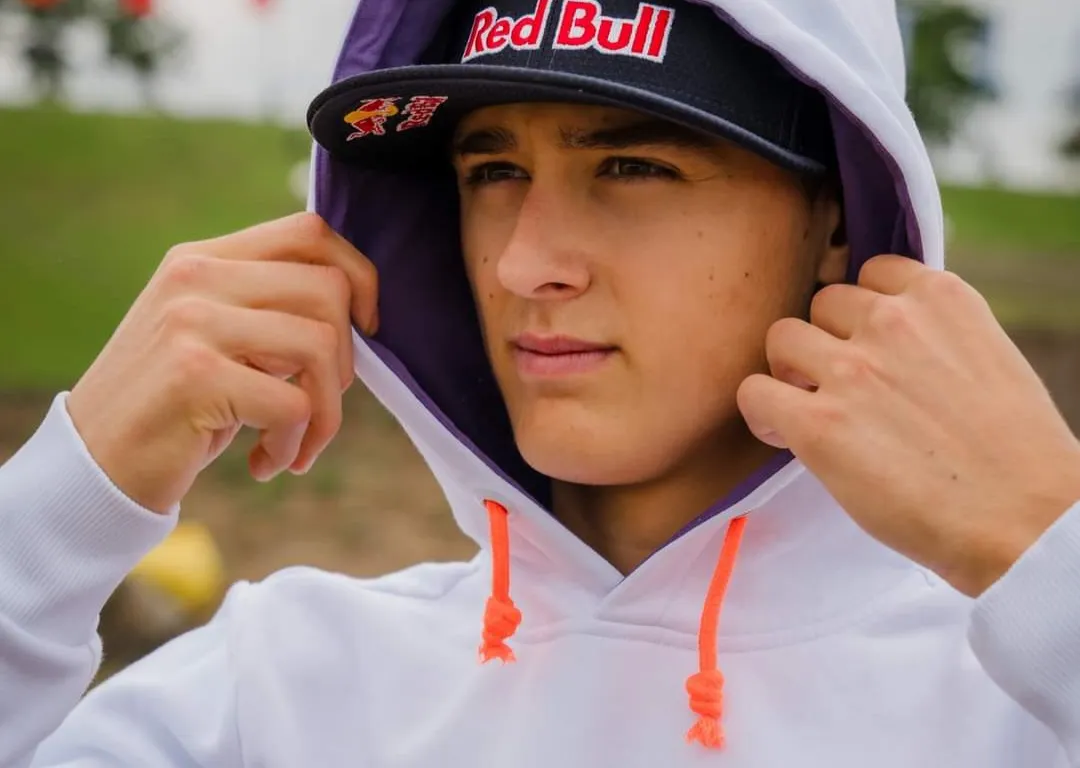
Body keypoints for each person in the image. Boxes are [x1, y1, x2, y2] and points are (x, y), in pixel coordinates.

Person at [2, 0, 1079, 765]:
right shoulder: (274, 691)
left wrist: (1051, 548)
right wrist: (65, 499)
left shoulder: (1015, 705)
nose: (524, 263)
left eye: (634, 166)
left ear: (838, 214)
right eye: (493, 172)